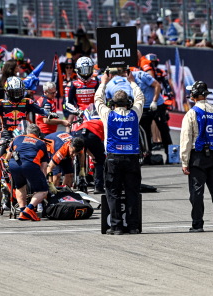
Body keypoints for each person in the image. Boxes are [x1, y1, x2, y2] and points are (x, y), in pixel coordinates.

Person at [0, 77, 56, 203]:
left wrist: (48, 114)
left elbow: (40, 109)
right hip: (6, 136)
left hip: (24, 135)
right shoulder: (0, 103)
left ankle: (40, 185)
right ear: (7, 92)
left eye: (19, 92)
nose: (17, 95)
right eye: (14, 92)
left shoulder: (27, 102)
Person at [95, 70, 145, 235]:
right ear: (128, 103)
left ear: (112, 103)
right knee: (132, 193)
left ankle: (116, 226)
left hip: (113, 158)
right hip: (132, 159)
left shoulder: (107, 114)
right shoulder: (134, 113)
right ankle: (133, 226)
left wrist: (103, 82)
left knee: (113, 193)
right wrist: (132, 82)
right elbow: (140, 98)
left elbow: (98, 99)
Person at [180, 81, 213, 233]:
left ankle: (197, 224)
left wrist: (184, 161)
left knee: (196, 191)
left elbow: (186, 139)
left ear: (193, 96)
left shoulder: (191, 113)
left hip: (198, 157)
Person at [4, 123, 49, 221]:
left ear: (27, 132)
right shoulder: (41, 143)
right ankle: (29, 209)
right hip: (30, 165)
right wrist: (43, 181)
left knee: (20, 187)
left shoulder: (17, 138)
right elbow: (44, 167)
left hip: (14, 164)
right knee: (43, 190)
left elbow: (8, 156)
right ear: (38, 134)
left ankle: (22, 211)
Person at [134, 69, 172, 164]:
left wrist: (154, 101)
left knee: (163, 130)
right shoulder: (124, 82)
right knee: (145, 132)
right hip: (144, 107)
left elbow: (157, 85)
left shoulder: (141, 76)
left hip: (157, 105)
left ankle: (170, 156)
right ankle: (147, 156)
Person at [71, 104, 106, 193]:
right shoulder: (104, 120)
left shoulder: (87, 119)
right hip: (93, 135)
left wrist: (92, 155)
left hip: (79, 132)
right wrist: (97, 156)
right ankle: (99, 187)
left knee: (79, 156)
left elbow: (85, 146)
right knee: (100, 160)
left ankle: (79, 183)